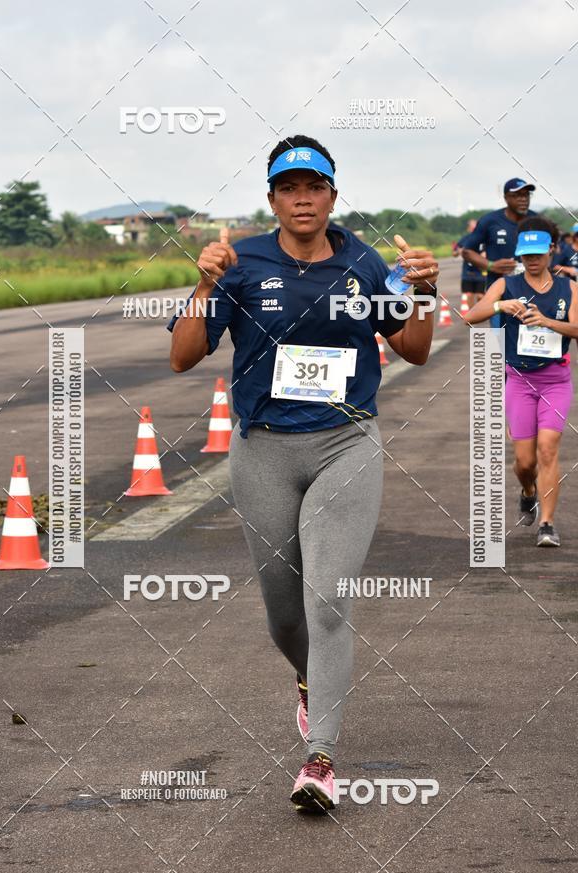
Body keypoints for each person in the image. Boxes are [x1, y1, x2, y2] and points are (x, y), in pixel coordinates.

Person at [168, 134, 439, 813]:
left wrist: (426, 293)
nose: (303, 199)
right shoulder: (241, 263)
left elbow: (414, 349)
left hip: (345, 446)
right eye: (289, 188)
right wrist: (204, 283)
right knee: (284, 616)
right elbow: (181, 357)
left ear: (332, 195)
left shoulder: (364, 263)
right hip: (263, 450)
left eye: (314, 187)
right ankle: (309, 681)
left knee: (327, 603)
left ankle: (320, 760)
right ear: (273, 199)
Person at [465, 216, 578, 547]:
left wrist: (546, 322)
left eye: (538, 253)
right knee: (525, 461)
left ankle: (547, 523)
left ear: (552, 251)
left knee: (547, 449)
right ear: (519, 253)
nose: (532, 259)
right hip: (519, 380)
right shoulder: (506, 284)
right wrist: (500, 305)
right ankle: (528, 491)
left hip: (555, 379)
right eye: (526, 254)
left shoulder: (568, 289)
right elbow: (469, 317)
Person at [461, 178, 537, 327]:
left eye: (526, 195)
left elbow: (552, 251)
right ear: (506, 197)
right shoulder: (490, 221)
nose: (523, 199)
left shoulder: (537, 220)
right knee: (498, 343)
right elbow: (467, 251)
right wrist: (490, 265)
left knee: (532, 345)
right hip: (500, 295)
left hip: (533, 293)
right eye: (517, 195)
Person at [454, 219, 486, 308]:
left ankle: (480, 311)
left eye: (475, 228)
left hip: (480, 273)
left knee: (480, 296)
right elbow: (454, 252)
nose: (474, 230)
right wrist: (458, 251)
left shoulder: (483, 239)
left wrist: (484, 255)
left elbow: (487, 253)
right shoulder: (464, 239)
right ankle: (472, 314)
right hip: (467, 272)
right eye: (472, 228)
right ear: (468, 228)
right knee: (469, 295)